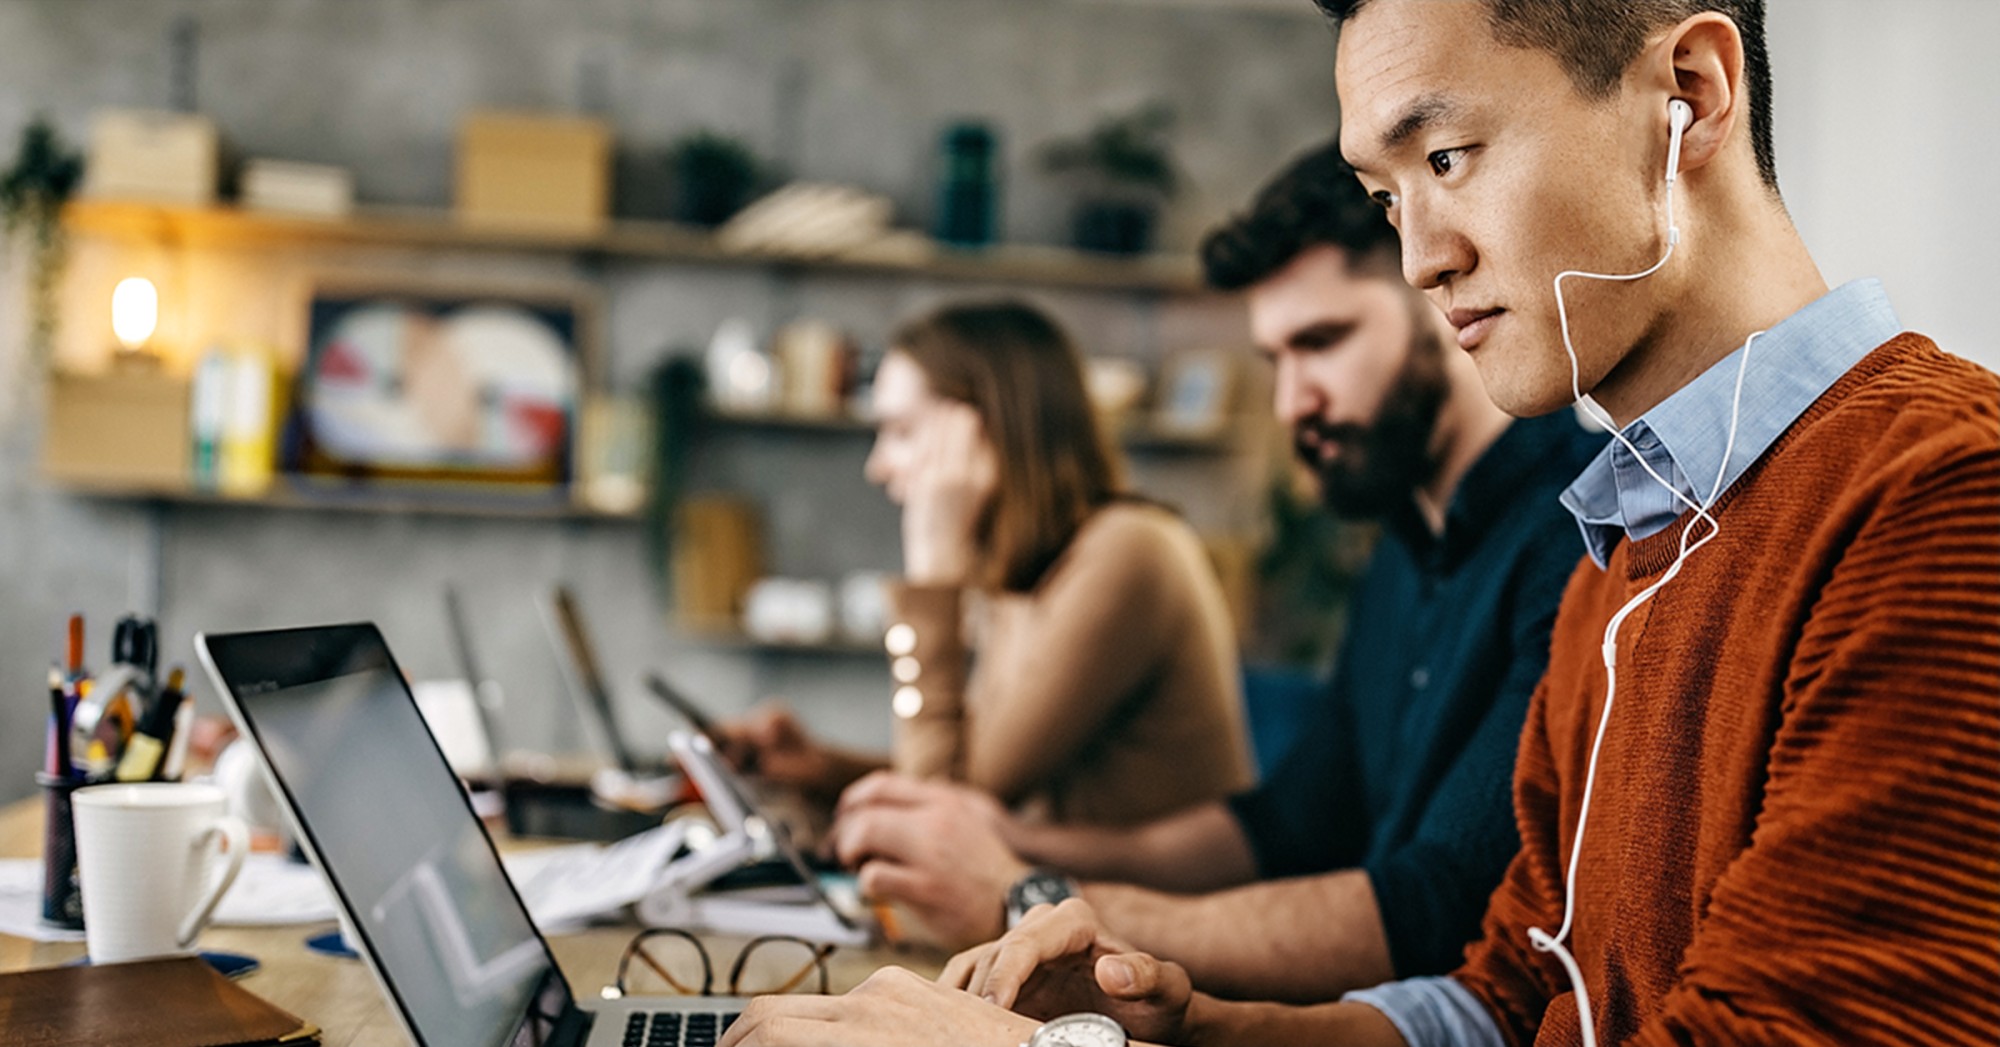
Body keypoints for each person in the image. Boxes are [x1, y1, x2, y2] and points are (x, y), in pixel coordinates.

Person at [718, 1, 1999, 1045]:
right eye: (1387, 197)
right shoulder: (1622, 547)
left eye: (1445, 159)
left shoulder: (1942, 502)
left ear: (1693, 95)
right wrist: (1194, 1029)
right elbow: (1491, 1006)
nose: (1418, 258)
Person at [821, 142, 1602, 1003]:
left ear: (1441, 293)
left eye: (1324, 342)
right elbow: (1283, 826)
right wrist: (1026, 852)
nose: (1290, 402)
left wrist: (1028, 894)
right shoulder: (1404, 543)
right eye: (1277, 360)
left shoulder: (1577, 536)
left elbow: (1434, 909)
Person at [724, 300, 1255, 829]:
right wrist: (823, 768)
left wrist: (932, 581)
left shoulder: (1129, 552)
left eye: (902, 432)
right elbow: (966, 770)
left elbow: (942, 814)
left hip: (1147, 910)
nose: (877, 466)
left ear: (986, 432)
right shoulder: (1030, 570)